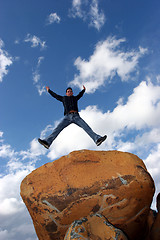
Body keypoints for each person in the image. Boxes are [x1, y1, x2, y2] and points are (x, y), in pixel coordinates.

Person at [38, 85, 107, 149]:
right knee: (57, 129)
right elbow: (55, 96)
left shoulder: (75, 98)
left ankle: (97, 139)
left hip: (76, 116)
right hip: (67, 117)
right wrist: (49, 90)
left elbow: (80, 95)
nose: (69, 92)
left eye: (70, 91)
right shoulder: (63, 98)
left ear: (72, 93)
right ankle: (47, 142)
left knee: (86, 127)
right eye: (68, 91)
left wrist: (83, 90)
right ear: (66, 93)